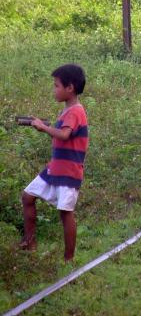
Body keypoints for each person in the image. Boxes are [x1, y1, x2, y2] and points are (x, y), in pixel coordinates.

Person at [20, 64, 88, 261]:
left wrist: (43, 128)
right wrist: (43, 124)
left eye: (57, 86)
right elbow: (63, 130)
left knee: (65, 213)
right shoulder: (67, 111)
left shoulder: (76, 111)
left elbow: (65, 134)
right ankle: (29, 242)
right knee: (28, 197)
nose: (54, 90)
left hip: (68, 171)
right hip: (54, 169)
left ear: (70, 88)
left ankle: (69, 259)